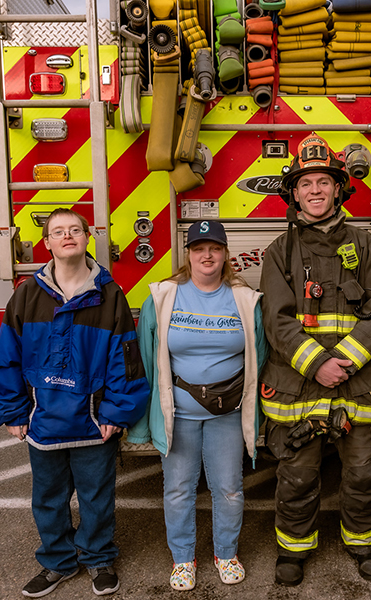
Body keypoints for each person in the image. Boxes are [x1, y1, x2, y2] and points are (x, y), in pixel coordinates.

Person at [0, 208, 149, 597]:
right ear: (48, 243)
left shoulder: (109, 294)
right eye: (58, 231)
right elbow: (7, 354)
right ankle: (57, 561)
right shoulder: (27, 294)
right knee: (48, 498)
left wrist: (114, 411)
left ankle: (97, 558)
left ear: (87, 237)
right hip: (43, 422)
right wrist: (12, 412)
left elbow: (125, 358)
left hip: (94, 422)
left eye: (75, 229)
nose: (67, 236)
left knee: (96, 497)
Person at [259, 133, 371, 586]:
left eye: (323, 181)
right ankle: (294, 548)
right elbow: (276, 320)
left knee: (362, 472)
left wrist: (345, 363)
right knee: (297, 474)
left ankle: (363, 543)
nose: (315, 190)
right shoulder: (279, 252)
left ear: (339, 188)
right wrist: (318, 364)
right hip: (301, 385)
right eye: (306, 183)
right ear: (294, 192)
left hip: (358, 383)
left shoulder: (368, 247)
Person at [127, 220, 268, 591]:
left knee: (229, 489)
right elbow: (144, 356)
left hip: (229, 413)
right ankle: (183, 560)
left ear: (226, 255)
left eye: (215, 248)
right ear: (187, 255)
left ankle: (226, 553)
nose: (207, 255)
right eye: (199, 248)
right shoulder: (162, 297)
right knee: (177, 490)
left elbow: (262, 357)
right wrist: (143, 422)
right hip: (178, 414)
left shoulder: (244, 300)